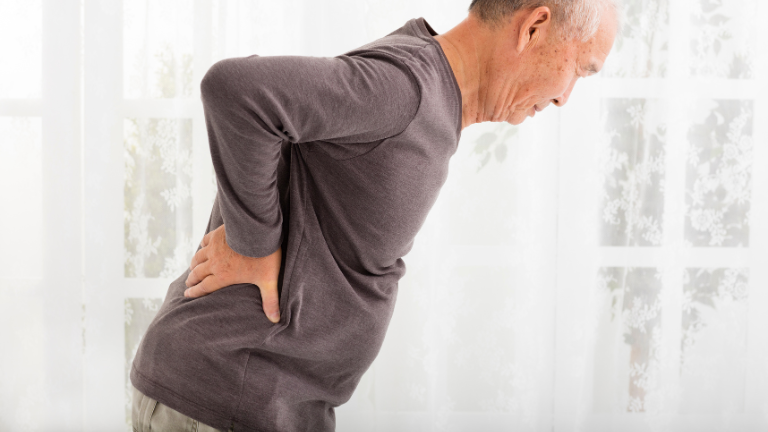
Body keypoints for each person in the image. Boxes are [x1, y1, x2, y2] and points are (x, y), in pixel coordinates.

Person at [130, 0, 618, 431]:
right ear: (533, 27)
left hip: (263, 403)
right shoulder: (406, 89)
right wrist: (253, 246)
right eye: (581, 67)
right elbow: (236, 90)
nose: (565, 97)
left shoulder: (428, 94)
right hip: (225, 394)